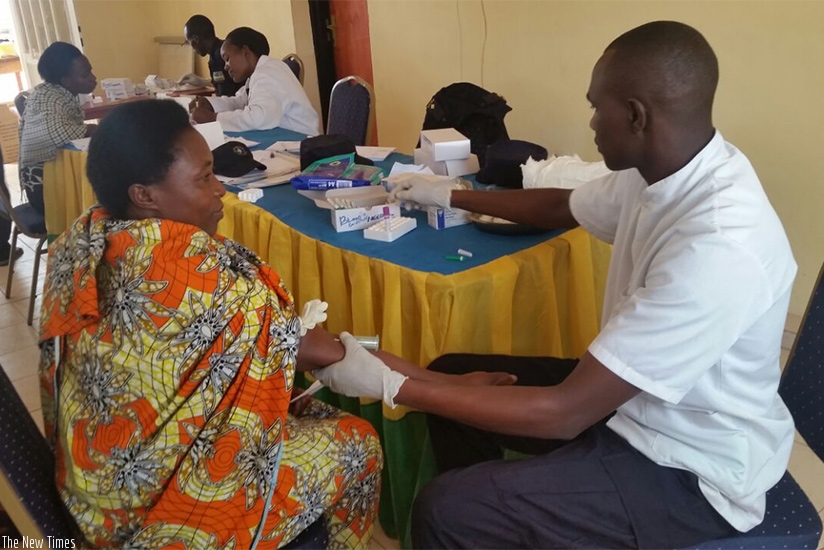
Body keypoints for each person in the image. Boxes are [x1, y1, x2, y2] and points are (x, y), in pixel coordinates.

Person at [312, 21, 798, 548]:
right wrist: (446, 195)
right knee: (453, 373)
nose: (590, 122)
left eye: (596, 107)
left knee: (446, 509)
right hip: (643, 404)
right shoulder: (661, 174)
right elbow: (560, 205)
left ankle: (478, 518)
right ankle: (501, 519)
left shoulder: (719, 243)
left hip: (691, 468)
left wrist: (393, 386)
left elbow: (566, 413)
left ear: (636, 115)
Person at [38, 99, 512, 549]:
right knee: (358, 444)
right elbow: (321, 350)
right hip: (152, 515)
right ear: (144, 196)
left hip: (92, 490)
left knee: (298, 410)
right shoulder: (198, 272)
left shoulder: (83, 241)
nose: (220, 188)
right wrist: (454, 391)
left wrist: (442, 382)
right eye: (204, 179)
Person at [189, 27, 319, 134]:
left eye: (227, 58)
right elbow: (239, 101)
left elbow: (258, 117)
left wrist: (213, 118)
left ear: (245, 52)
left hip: (301, 143)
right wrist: (211, 104)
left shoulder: (268, 74)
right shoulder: (258, 74)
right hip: (284, 137)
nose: (226, 66)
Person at [18, 41, 97, 216]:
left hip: (59, 179)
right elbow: (57, 132)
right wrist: (93, 129)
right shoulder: (49, 99)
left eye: (90, 70)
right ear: (65, 79)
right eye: (85, 75)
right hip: (45, 191)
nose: (93, 77)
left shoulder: (56, 93)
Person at [182, 14, 241, 97]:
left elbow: (225, 95)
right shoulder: (218, 51)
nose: (192, 49)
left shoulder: (218, 57)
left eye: (189, 42)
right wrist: (202, 82)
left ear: (196, 39)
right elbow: (224, 81)